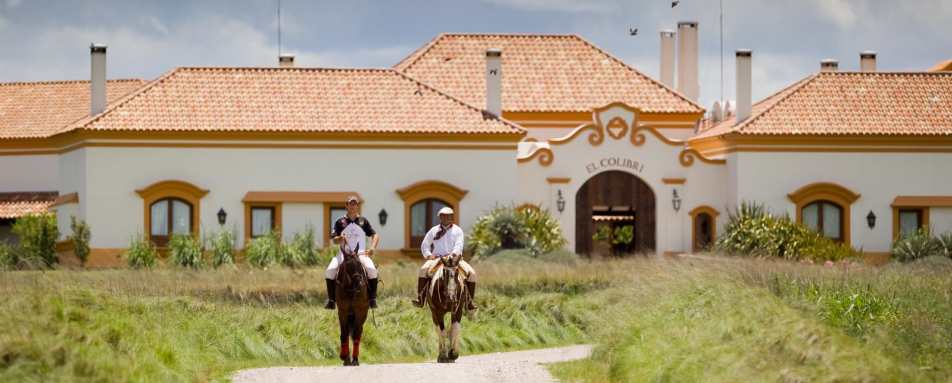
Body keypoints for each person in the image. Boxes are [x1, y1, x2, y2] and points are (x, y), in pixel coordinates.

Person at [411, 207, 477, 311]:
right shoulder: (433, 230)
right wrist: (428, 255)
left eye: (449, 216)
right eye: (444, 216)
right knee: (423, 270)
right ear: (440, 217)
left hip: (455, 259)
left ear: (452, 217)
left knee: (472, 274)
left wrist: (453, 255)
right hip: (437, 258)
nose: (447, 218)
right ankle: (420, 299)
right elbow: (425, 245)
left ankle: (469, 302)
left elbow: (459, 245)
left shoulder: (458, 230)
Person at [325, 195, 380, 309]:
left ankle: (372, 299)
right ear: (346, 205)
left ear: (358, 206)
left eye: (355, 204)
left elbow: (375, 235)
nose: (353, 206)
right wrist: (339, 239)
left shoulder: (363, 221)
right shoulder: (340, 222)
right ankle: (331, 300)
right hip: (343, 254)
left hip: (360, 254)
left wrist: (372, 248)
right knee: (329, 271)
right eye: (351, 203)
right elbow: (334, 239)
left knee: (372, 270)